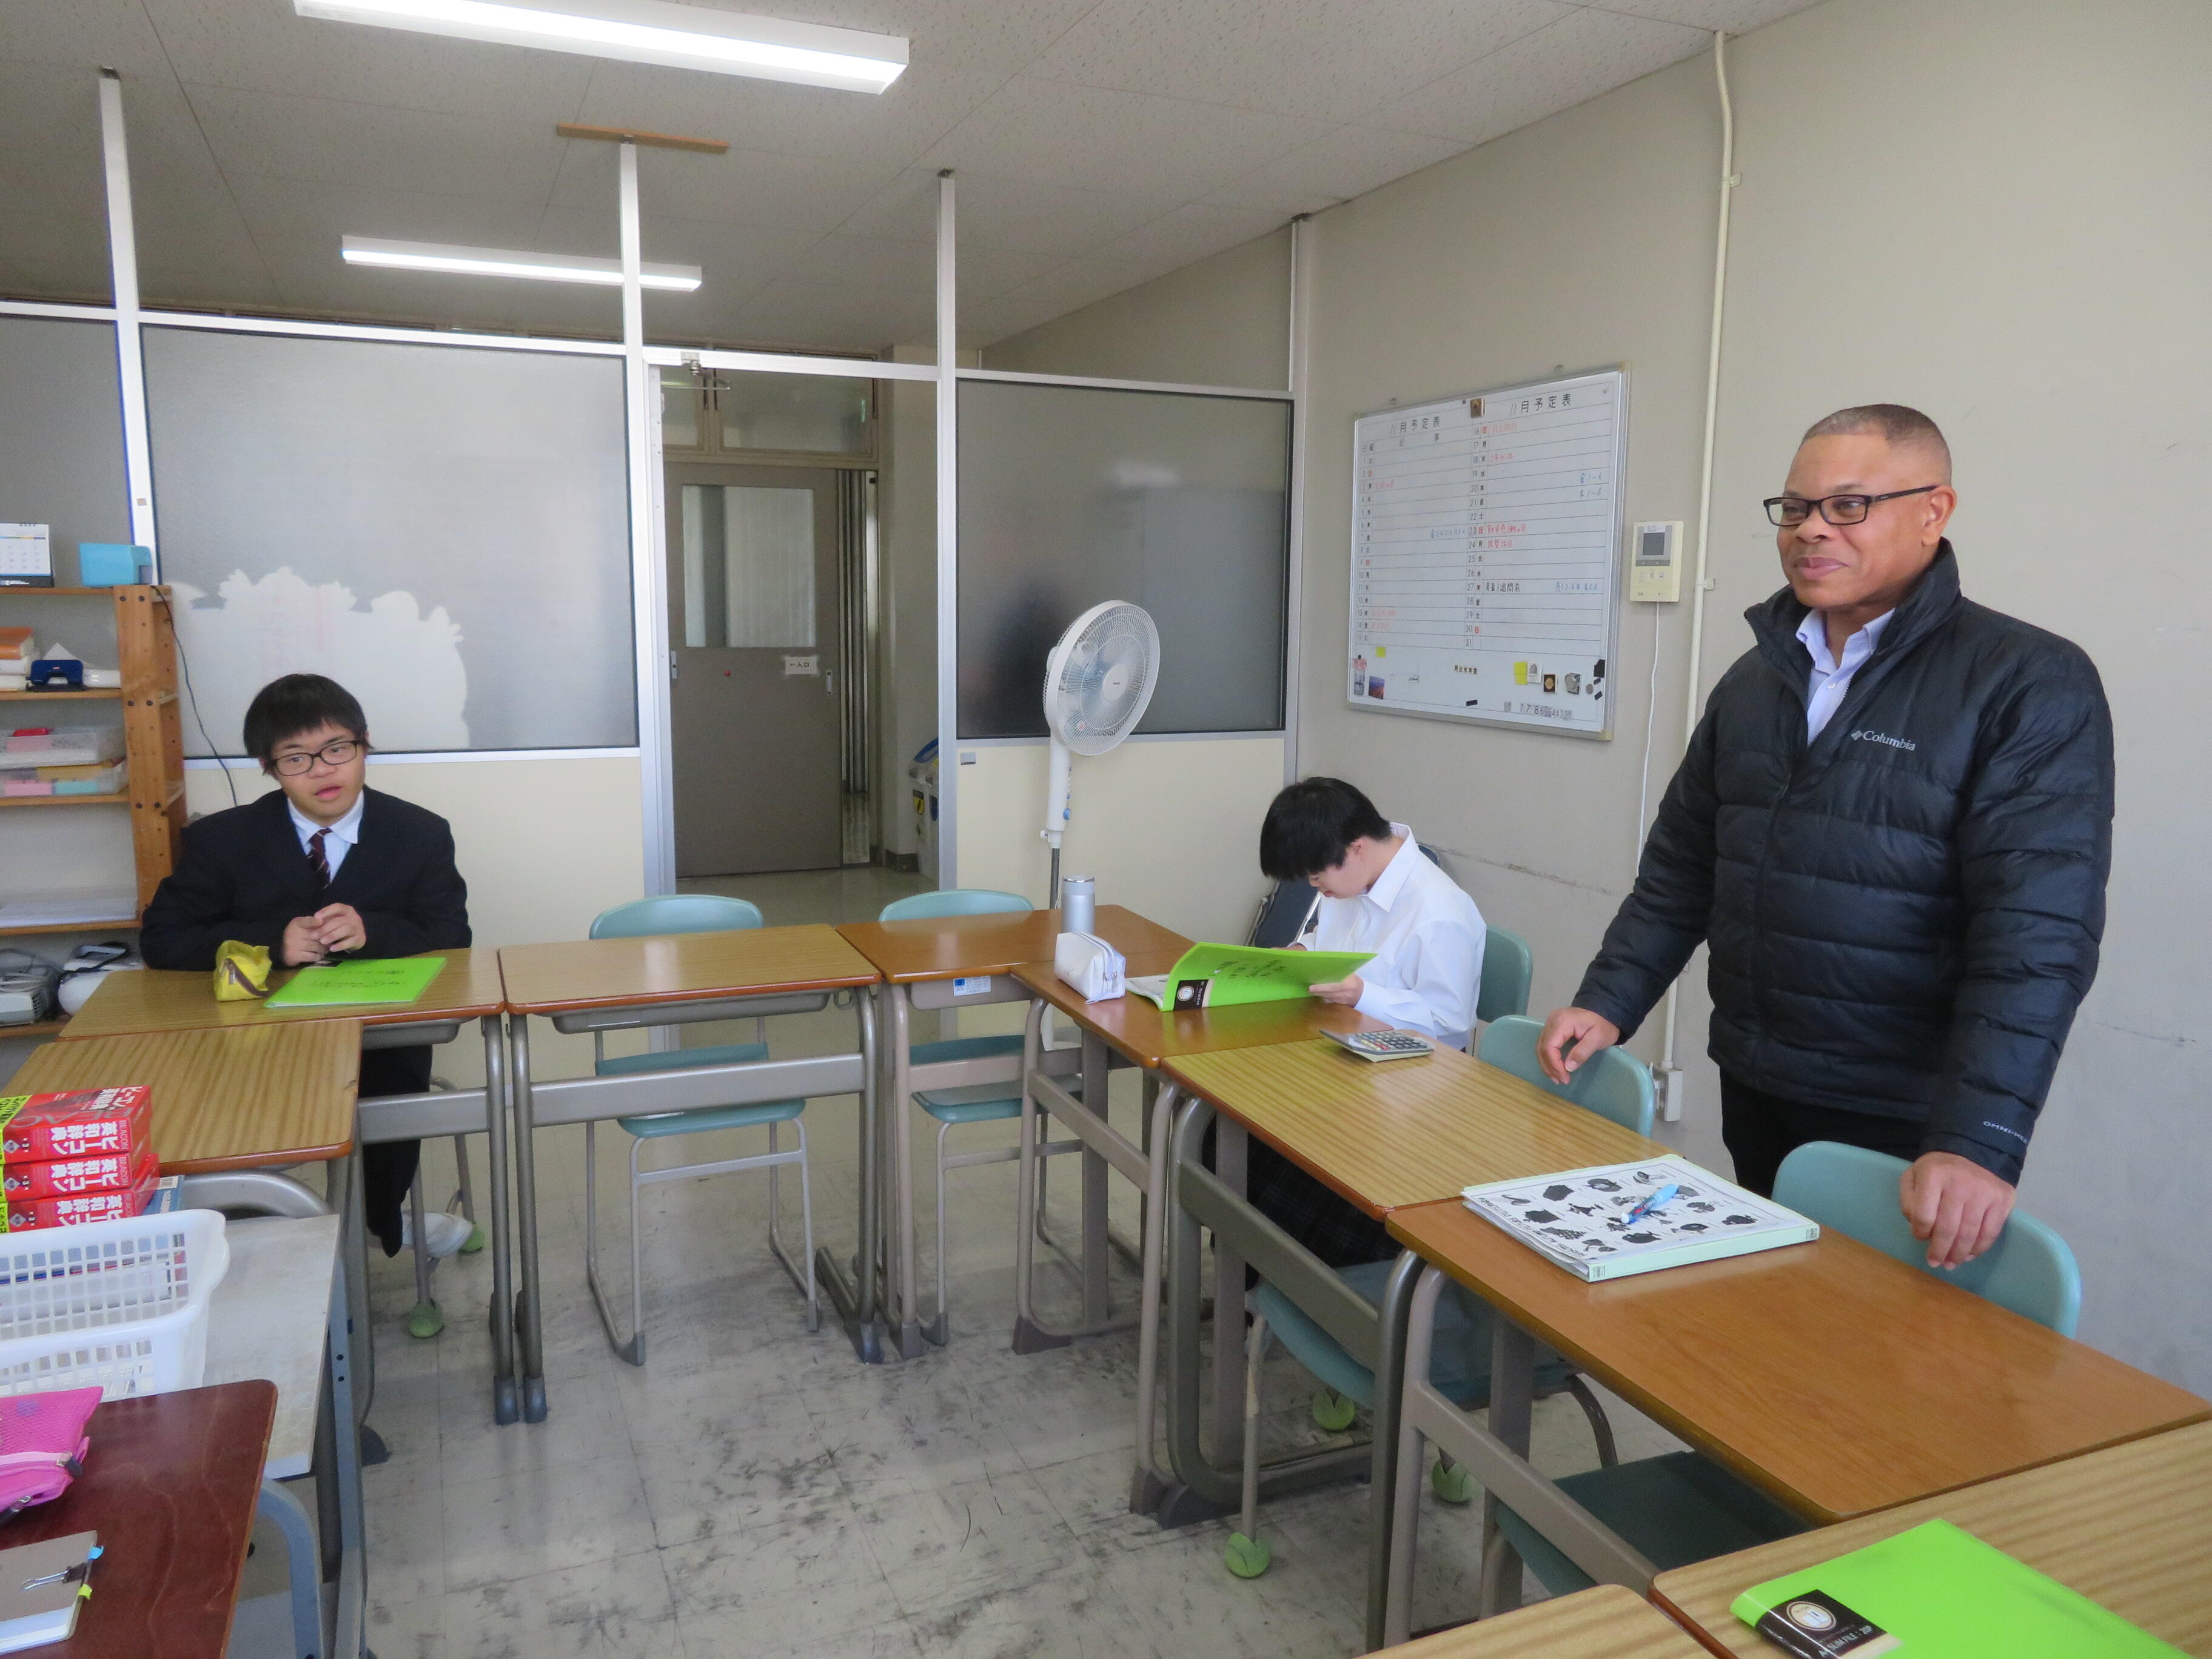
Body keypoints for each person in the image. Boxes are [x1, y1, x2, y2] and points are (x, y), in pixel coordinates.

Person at [1538, 405, 2112, 1270]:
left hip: (1903, 1108)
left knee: (1869, 1339)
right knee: (1769, 1300)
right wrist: (1609, 1000)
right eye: (1797, 507)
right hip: (1757, 1075)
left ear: (1934, 511)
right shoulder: (1756, 679)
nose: (1812, 530)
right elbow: (1684, 867)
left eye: (1849, 506)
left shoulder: (2027, 681)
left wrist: (1978, 1137)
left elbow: (2038, 933)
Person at [141, 674, 473, 1262]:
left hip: (379, 1041)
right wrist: (272, 945)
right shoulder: (223, 840)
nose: (323, 771)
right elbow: (163, 939)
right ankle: (258, 1227)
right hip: (252, 1046)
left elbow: (451, 936)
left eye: (337, 749)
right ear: (269, 768)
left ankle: (380, 1220)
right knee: (233, 1148)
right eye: (296, 758)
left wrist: (373, 932)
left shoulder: (419, 833)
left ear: (364, 744)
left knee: (390, 1099)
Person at [1243, 777, 1487, 1264]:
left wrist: (1363, 994)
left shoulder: (1438, 911)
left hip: (1411, 1092)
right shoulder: (1355, 879)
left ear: (1355, 848)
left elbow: (1450, 1023)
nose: (1319, 891)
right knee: (1237, 1126)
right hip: (1343, 1060)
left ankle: (1299, 1281)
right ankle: (1252, 1276)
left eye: (1318, 879)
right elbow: (1329, 942)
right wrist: (1301, 952)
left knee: (1281, 1154)